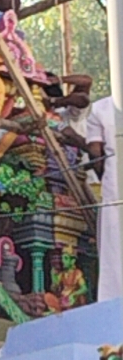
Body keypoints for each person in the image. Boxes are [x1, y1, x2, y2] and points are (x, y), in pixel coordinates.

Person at [86, 94, 123, 301]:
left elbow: (95, 153)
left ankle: (114, 298)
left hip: (115, 182)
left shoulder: (100, 108)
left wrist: (106, 175)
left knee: (113, 243)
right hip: (114, 183)